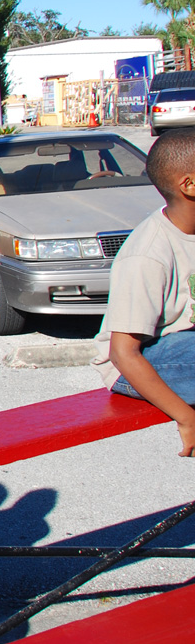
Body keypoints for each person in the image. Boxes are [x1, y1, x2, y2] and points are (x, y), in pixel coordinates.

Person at [95, 127, 195, 457]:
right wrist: (185, 417)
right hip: (134, 365)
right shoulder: (148, 253)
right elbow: (123, 352)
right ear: (189, 185)